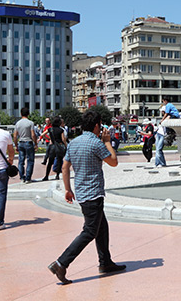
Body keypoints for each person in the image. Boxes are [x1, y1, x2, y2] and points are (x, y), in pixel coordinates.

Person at [48, 110, 125, 284]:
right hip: (94, 194)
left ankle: (105, 262)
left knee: (101, 227)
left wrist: (68, 189)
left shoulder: (74, 143)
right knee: (90, 231)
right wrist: (107, 142)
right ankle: (61, 263)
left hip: (82, 193)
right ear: (97, 125)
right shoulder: (96, 143)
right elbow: (113, 161)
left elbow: (65, 168)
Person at [14, 107, 38, 183]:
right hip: (28, 142)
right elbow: (33, 134)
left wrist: (16, 145)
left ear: (21, 114)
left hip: (21, 142)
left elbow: (15, 136)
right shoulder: (30, 123)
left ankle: (21, 177)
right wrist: (36, 143)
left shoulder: (18, 123)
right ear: (28, 114)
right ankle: (28, 178)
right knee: (30, 161)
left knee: (21, 161)